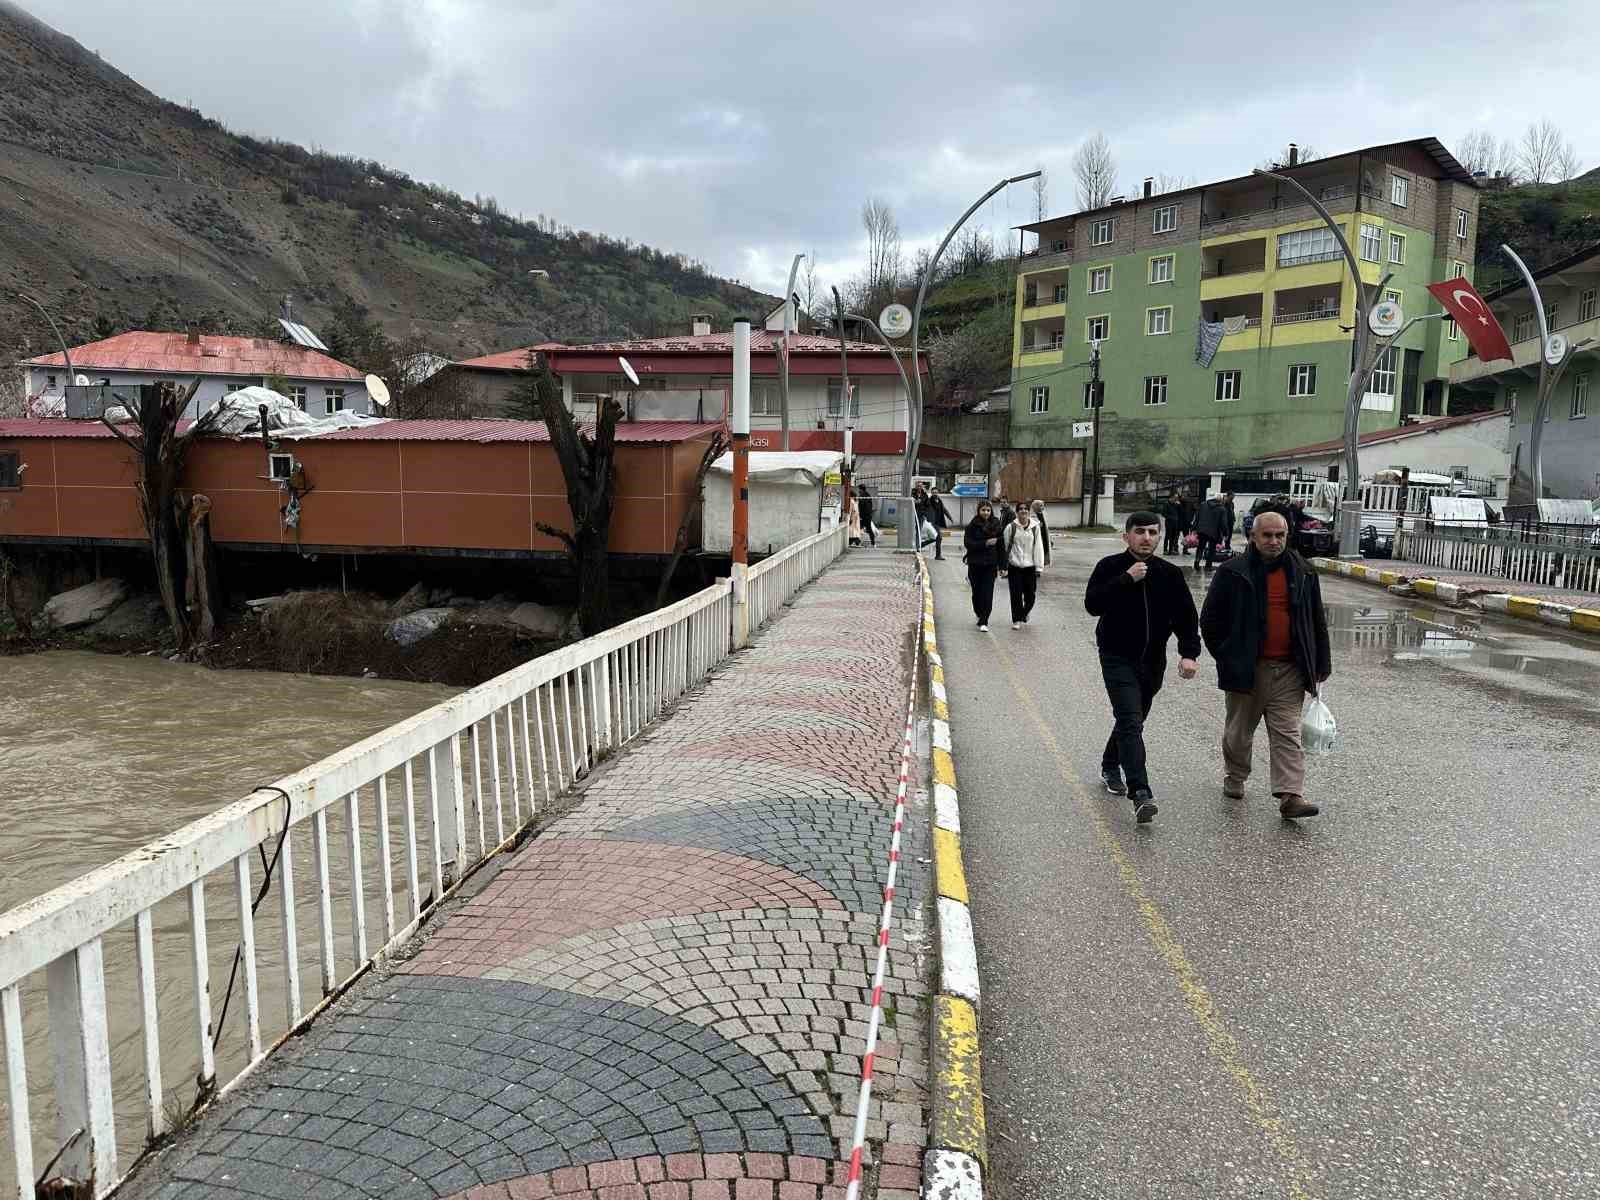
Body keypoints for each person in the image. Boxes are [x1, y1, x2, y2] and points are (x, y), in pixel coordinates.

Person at [1200, 511, 1332, 820]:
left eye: (1279, 536)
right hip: (1246, 668)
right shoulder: (1233, 572)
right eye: (1267, 536)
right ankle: (1235, 776)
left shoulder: (1303, 571)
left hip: (1290, 669)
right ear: (1253, 537)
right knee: (1239, 733)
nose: (1274, 541)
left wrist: (1320, 663)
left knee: (1287, 733)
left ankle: (1291, 795)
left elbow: (1316, 620)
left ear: (1287, 537)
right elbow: (1210, 620)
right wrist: (1227, 655)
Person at [1084, 511, 1202, 823]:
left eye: (1152, 532)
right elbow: (1092, 604)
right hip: (1116, 656)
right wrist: (1126, 579)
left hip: (1153, 661)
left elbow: (1187, 618)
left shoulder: (1170, 574)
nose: (1146, 537)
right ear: (1127, 537)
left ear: (1160, 536)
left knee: (1131, 719)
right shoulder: (1110, 567)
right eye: (1139, 532)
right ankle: (1141, 793)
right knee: (1130, 719)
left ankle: (1111, 763)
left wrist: (1189, 654)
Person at [963, 501, 1005, 632]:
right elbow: (968, 544)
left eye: (988, 510)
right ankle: (979, 612)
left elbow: (1001, 547)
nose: (986, 513)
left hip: (990, 564)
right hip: (975, 563)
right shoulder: (972, 526)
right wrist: (985, 543)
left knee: (987, 592)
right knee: (977, 593)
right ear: (978, 511)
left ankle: (984, 620)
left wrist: (1003, 566)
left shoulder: (997, 525)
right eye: (983, 510)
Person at [1002, 502, 1046, 628]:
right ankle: (1016, 620)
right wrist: (1004, 565)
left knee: (1030, 596)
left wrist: (1039, 567)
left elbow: (1038, 547)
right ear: (1017, 512)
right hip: (1014, 566)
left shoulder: (1035, 527)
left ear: (1028, 511)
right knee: (1015, 595)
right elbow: (1005, 546)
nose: (1023, 511)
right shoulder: (1011, 527)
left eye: (1025, 509)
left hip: (1030, 567)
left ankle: (1024, 613)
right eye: (1020, 509)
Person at [1193, 496, 1227, 571]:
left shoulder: (1203, 504)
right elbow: (1223, 523)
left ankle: (1197, 562)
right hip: (1213, 532)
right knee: (1211, 549)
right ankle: (1208, 566)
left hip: (1202, 530)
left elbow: (1197, 517)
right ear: (1221, 500)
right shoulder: (1222, 509)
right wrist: (1225, 533)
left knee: (1200, 547)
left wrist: (1194, 528)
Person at [927, 487, 951, 560]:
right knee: (939, 538)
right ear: (931, 493)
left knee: (935, 538)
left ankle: (919, 547)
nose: (935, 494)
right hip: (932, 522)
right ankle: (938, 555)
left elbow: (944, 509)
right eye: (933, 492)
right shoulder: (929, 501)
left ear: (938, 493)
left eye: (936, 492)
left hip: (937, 522)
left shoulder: (939, 500)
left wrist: (949, 517)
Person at [1030, 500, 1052, 567]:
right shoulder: (1031, 516)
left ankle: (1039, 567)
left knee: (1043, 553)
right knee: (1035, 554)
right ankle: (1035, 568)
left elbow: (1046, 528)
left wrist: (1049, 539)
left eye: (1043, 505)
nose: (1043, 507)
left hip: (1044, 538)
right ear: (1035, 506)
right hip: (1035, 539)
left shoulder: (1043, 515)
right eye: (1041, 505)